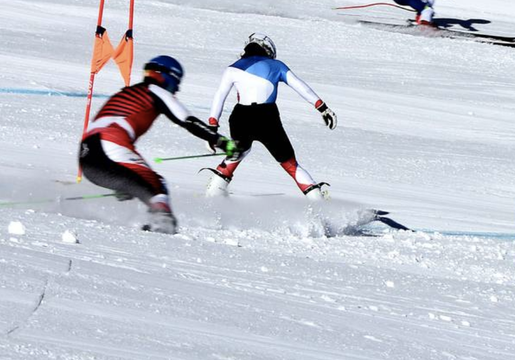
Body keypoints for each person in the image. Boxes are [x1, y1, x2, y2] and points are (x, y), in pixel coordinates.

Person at [79, 55, 235, 234]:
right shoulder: (155, 90)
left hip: (87, 156)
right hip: (109, 145)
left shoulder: (125, 93)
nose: (175, 90)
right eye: (176, 84)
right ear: (169, 77)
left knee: (144, 184)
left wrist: (126, 183)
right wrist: (223, 142)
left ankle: (156, 222)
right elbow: (188, 121)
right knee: (156, 186)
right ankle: (162, 225)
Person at [201, 33, 337, 199]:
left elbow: (220, 95)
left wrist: (212, 126)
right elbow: (300, 86)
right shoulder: (276, 65)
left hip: (240, 117)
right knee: (290, 164)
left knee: (238, 153)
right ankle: (318, 201)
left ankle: (212, 194)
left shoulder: (232, 68)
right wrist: (322, 107)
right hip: (267, 117)